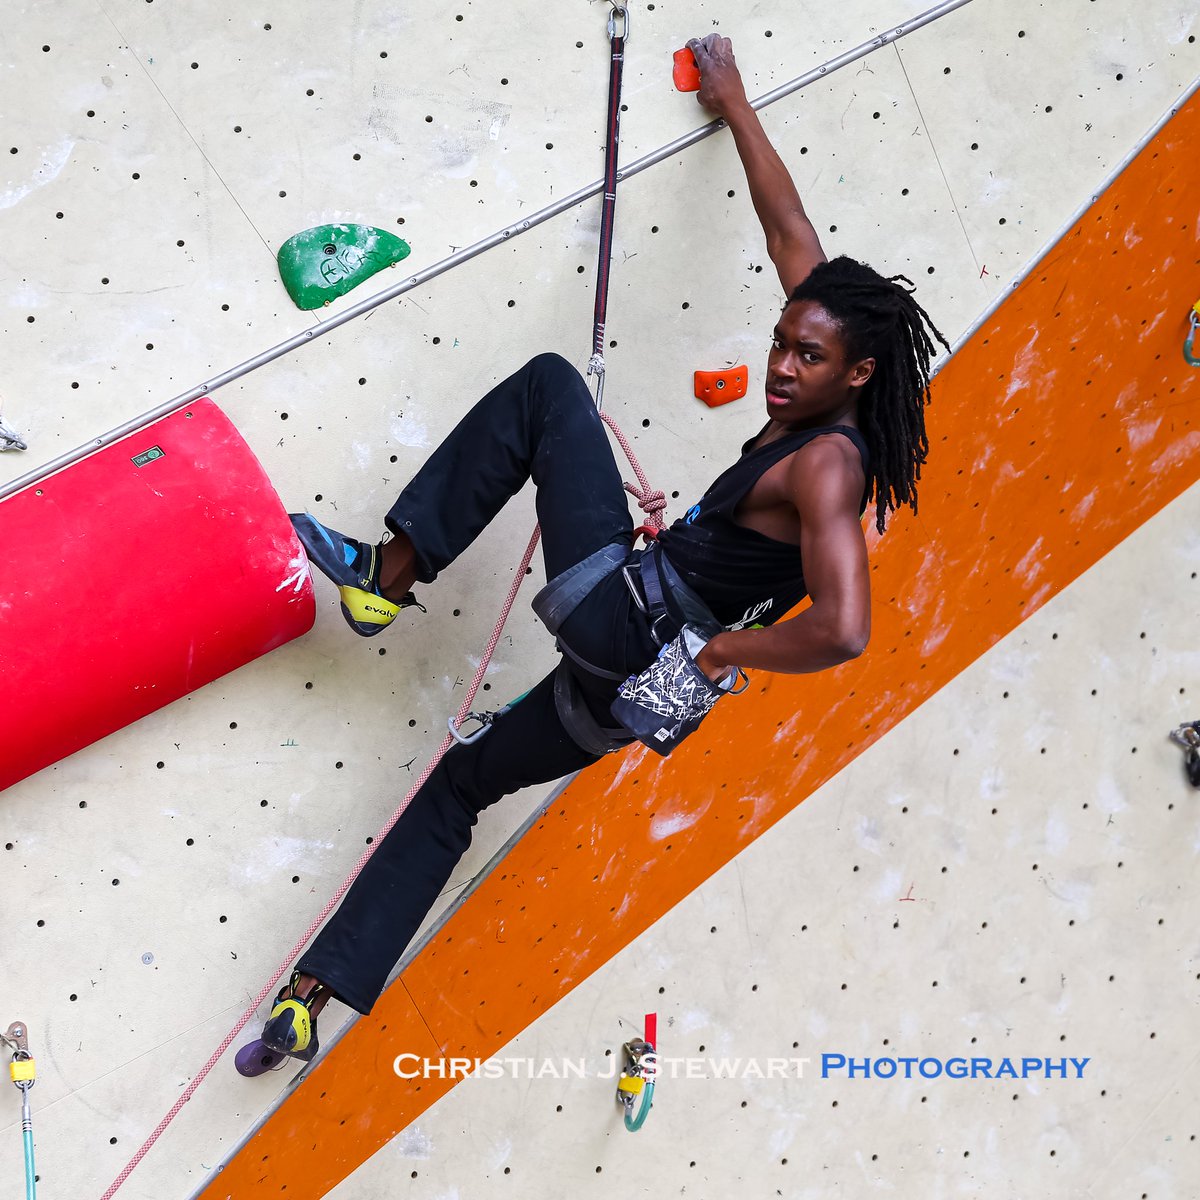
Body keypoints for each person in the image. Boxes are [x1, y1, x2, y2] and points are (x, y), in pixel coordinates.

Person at [251, 34, 949, 1062]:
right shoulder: (835, 366)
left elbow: (845, 630)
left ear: (858, 374)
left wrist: (721, 653)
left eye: (807, 356)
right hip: (630, 699)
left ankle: (381, 579)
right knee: (463, 784)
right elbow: (789, 228)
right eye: (780, 342)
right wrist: (735, 101)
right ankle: (314, 993)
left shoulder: (828, 470)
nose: (781, 368)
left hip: (627, 624)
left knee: (548, 387)